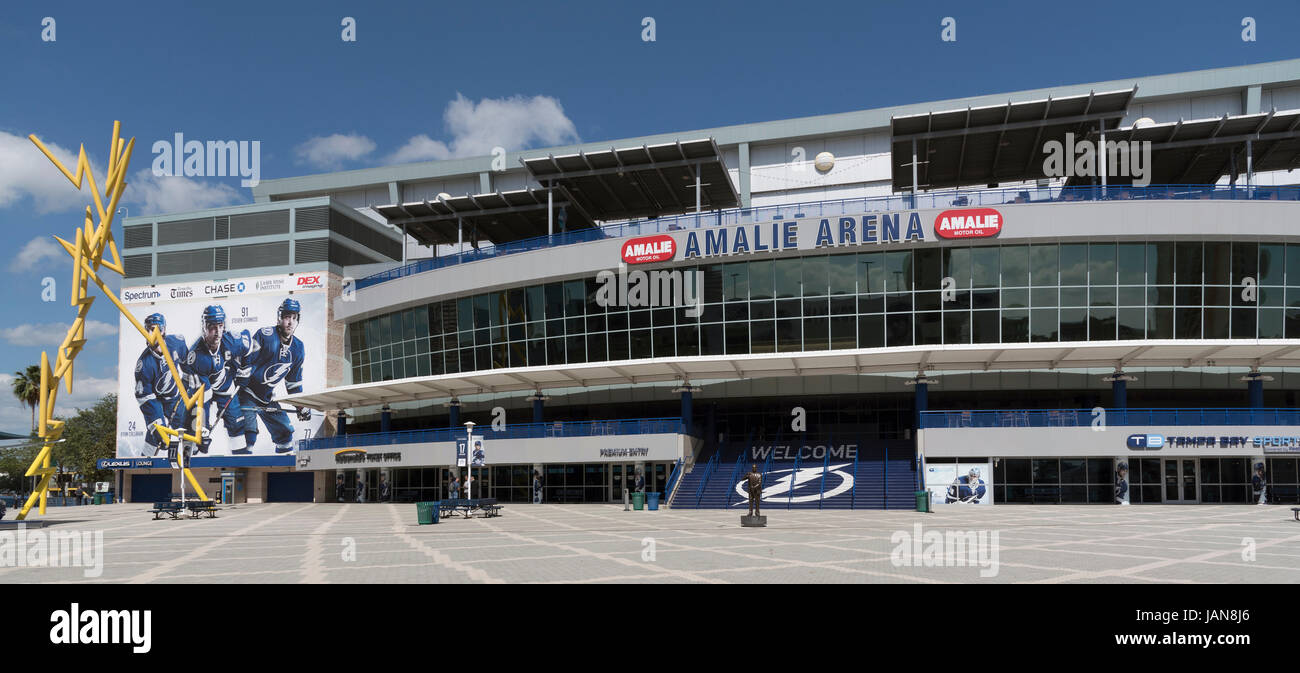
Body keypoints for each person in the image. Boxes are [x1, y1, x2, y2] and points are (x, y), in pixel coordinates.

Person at [232, 298, 311, 454]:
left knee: (285, 435)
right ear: (279, 318)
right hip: (246, 394)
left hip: (266, 398)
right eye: (287, 317)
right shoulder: (266, 335)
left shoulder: (298, 348)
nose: (290, 322)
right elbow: (245, 361)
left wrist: (301, 406)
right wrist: (240, 374)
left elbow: (293, 384)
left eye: (294, 318)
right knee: (248, 436)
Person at [181, 305, 250, 454]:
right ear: (204, 327)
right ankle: (189, 449)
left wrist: (245, 369)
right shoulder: (196, 357)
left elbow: (249, 343)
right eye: (213, 327)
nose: (218, 332)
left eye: (220, 326)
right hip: (201, 391)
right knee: (193, 426)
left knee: (236, 423)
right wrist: (202, 431)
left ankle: (239, 459)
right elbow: (203, 399)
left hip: (225, 387)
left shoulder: (232, 341)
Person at [134, 313, 189, 459]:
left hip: (174, 396)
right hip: (155, 399)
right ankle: (144, 461)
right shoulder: (144, 364)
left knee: (187, 429)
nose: (153, 333)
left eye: (157, 329)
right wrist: (157, 426)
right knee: (157, 432)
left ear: (164, 330)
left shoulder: (177, 343)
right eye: (149, 329)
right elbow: (145, 397)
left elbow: (189, 364)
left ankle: (189, 460)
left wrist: (188, 380)